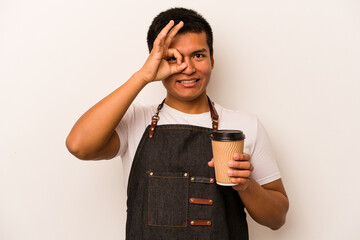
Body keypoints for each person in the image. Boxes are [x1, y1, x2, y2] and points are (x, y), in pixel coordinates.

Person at [66, 7, 289, 239]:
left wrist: (247, 186)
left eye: (198, 55)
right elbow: (78, 145)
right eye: (173, 58)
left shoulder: (244, 126)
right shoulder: (136, 120)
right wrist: (142, 76)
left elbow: (277, 219)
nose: (188, 68)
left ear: (212, 59)